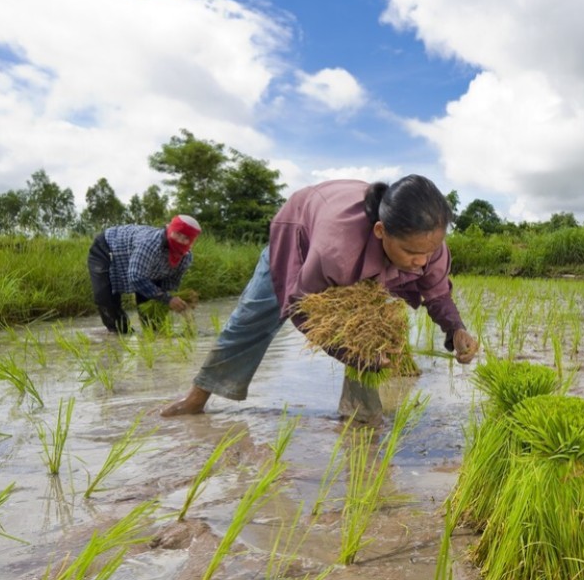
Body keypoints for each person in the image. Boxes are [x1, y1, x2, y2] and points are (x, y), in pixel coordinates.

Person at [161, 174, 479, 418]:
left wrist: (456, 329)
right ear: (381, 231)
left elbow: (436, 292)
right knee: (254, 316)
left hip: (361, 251)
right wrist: (348, 353)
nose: (422, 262)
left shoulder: (427, 246)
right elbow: (302, 307)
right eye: (412, 252)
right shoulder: (335, 249)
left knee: (371, 328)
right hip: (299, 236)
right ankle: (196, 399)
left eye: (429, 251)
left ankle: (361, 415)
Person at [87, 214, 201, 334]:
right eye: (177, 234)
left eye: (186, 238)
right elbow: (135, 277)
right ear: (170, 230)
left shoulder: (185, 257)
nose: (180, 240)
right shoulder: (150, 244)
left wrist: (173, 300)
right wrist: (167, 299)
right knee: (106, 300)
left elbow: (170, 283)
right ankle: (118, 334)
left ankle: (152, 337)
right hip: (107, 248)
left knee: (154, 323)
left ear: (191, 241)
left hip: (146, 266)